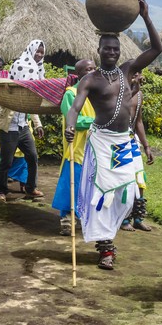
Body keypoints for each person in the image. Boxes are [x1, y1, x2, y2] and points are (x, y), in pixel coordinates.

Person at [65, 0, 162, 270]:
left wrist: (146, 16)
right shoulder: (90, 79)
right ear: (99, 50)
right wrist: (70, 125)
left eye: (115, 49)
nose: (112, 53)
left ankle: (109, 235)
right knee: (102, 197)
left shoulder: (127, 70)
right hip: (101, 143)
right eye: (107, 49)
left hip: (124, 142)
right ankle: (106, 248)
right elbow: (75, 107)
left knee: (129, 194)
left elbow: (157, 48)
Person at [0, 40, 45, 203]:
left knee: (32, 156)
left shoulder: (39, 70)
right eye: (37, 51)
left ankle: (30, 188)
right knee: (6, 161)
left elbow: (32, 101)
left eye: (42, 52)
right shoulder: (19, 65)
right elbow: (11, 93)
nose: (40, 54)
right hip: (9, 125)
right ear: (31, 50)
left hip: (23, 126)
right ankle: (1, 191)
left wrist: (38, 124)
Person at [52, 59, 96, 236]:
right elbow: (73, 120)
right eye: (88, 69)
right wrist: (95, 122)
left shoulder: (97, 94)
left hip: (94, 148)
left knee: (89, 186)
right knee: (71, 183)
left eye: (94, 69)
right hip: (76, 147)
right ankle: (66, 219)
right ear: (79, 74)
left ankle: (83, 217)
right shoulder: (71, 94)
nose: (92, 72)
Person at [120, 71, 155, 232]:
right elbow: (122, 103)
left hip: (132, 141)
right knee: (126, 181)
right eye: (133, 72)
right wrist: (134, 86)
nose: (137, 75)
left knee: (140, 179)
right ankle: (124, 218)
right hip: (118, 141)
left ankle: (138, 218)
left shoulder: (139, 94)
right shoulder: (119, 91)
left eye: (139, 72)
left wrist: (146, 146)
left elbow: (138, 121)